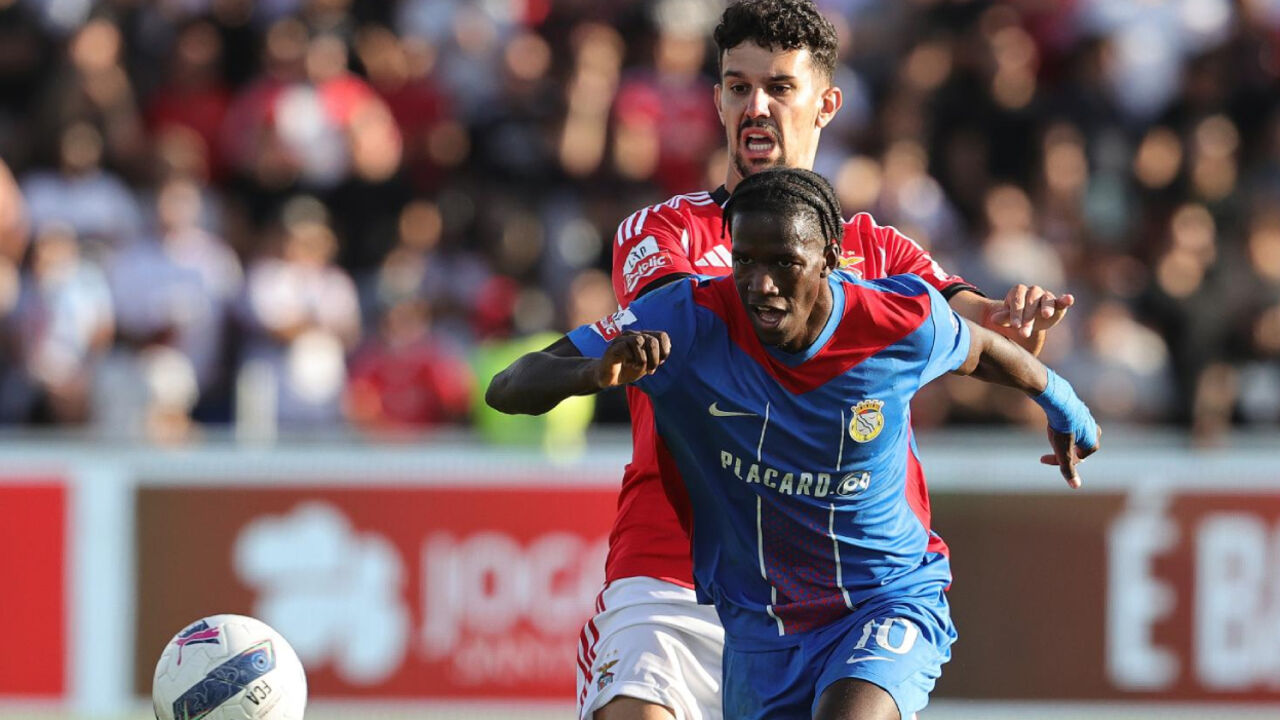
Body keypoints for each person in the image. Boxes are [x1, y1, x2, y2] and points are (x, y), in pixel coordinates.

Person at [589, 1, 1075, 719]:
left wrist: (1012, 329)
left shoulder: (884, 252)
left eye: (779, 87)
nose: (755, 107)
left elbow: (974, 323)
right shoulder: (662, 232)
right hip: (673, 573)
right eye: (737, 86)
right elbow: (696, 327)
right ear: (718, 98)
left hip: (835, 593)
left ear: (826, 104)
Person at [487, 168, 1099, 720]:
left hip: (884, 597)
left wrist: (1065, 406)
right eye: (745, 261)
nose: (761, 284)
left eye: (784, 262)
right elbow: (509, 386)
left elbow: (984, 350)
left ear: (832, 256)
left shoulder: (894, 321)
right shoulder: (688, 318)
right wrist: (594, 374)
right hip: (762, 626)